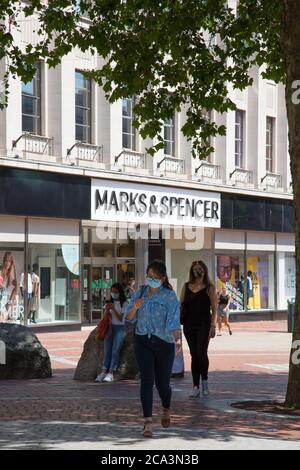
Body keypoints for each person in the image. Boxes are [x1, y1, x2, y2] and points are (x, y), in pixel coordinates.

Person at [125, 260, 181, 438]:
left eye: (156, 277)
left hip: (164, 343)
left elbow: (174, 320)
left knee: (163, 385)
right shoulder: (140, 292)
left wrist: (177, 340)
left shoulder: (170, 296)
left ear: (163, 278)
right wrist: (135, 307)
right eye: (150, 276)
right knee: (146, 381)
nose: (152, 279)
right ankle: (147, 422)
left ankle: (166, 408)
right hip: (142, 341)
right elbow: (128, 317)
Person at [180, 260, 218, 398]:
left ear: (204, 270)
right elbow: (181, 306)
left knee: (201, 353)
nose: (198, 271)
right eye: (195, 269)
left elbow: (214, 309)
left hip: (204, 325)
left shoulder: (210, 288)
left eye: (200, 268)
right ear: (192, 271)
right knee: (194, 355)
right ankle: (195, 386)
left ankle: (205, 381)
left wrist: (213, 326)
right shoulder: (186, 287)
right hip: (189, 325)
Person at [95, 283, 128, 383]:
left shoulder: (124, 303)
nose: (114, 294)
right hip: (109, 328)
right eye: (112, 292)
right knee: (107, 350)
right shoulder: (109, 302)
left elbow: (121, 318)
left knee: (115, 351)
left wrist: (113, 308)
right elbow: (104, 317)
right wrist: (107, 309)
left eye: (116, 292)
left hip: (119, 328)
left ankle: (111, 372)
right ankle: (103, 371)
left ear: (120, 292)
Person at [0, 252, 18, 321]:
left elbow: (16, 286)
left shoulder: (9, 276)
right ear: (4, 260)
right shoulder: (1, 272)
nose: (8, 263)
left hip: (4, 306)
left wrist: (9, 304)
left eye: (10, 261)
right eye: (6, 260)